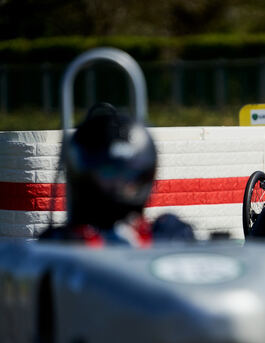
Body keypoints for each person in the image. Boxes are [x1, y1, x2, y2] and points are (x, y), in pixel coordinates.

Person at [40, 102, 194, 247]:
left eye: (129, 175)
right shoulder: (63, 242)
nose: (120, 184)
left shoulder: (167, 234)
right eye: (109, 173)